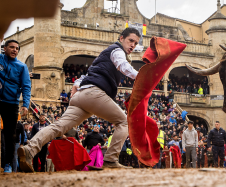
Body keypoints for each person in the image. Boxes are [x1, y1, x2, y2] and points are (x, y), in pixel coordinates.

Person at [18, 28, 141, 172]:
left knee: (58, 127)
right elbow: (123, 66)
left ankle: (29, 149)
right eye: (130, 40)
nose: (133, 45)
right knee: (124, 122)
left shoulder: (105, 55)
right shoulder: (117, 50)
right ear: (121, 39)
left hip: (81, 96)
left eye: (136, 43)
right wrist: (142, 77)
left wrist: (76, 84)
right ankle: (111, 159)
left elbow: (87, 75)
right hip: (94, 94)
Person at [0, 39, 31, 173]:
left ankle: (7, 164)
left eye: (17, 48)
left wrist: (25, 104)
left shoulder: (22, 66)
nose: (15, 50)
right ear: (4, 48)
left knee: (10, 135)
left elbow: (26, 86)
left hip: (11, 103)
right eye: (11, 47)